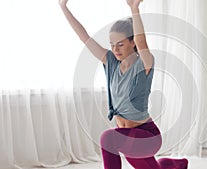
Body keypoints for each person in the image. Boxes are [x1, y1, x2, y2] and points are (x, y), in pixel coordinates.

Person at [59, 0, 188, 168]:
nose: (115, 49)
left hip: (147, 136)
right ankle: (178, 164)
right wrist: (64, 7)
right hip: (128, 139)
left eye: (120, 44)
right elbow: (85, 37)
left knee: (108, 138)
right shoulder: (110, 62)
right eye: (112, 45)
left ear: (132, 42)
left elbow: (142, 43)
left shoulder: (144, 63)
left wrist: (134, 8)